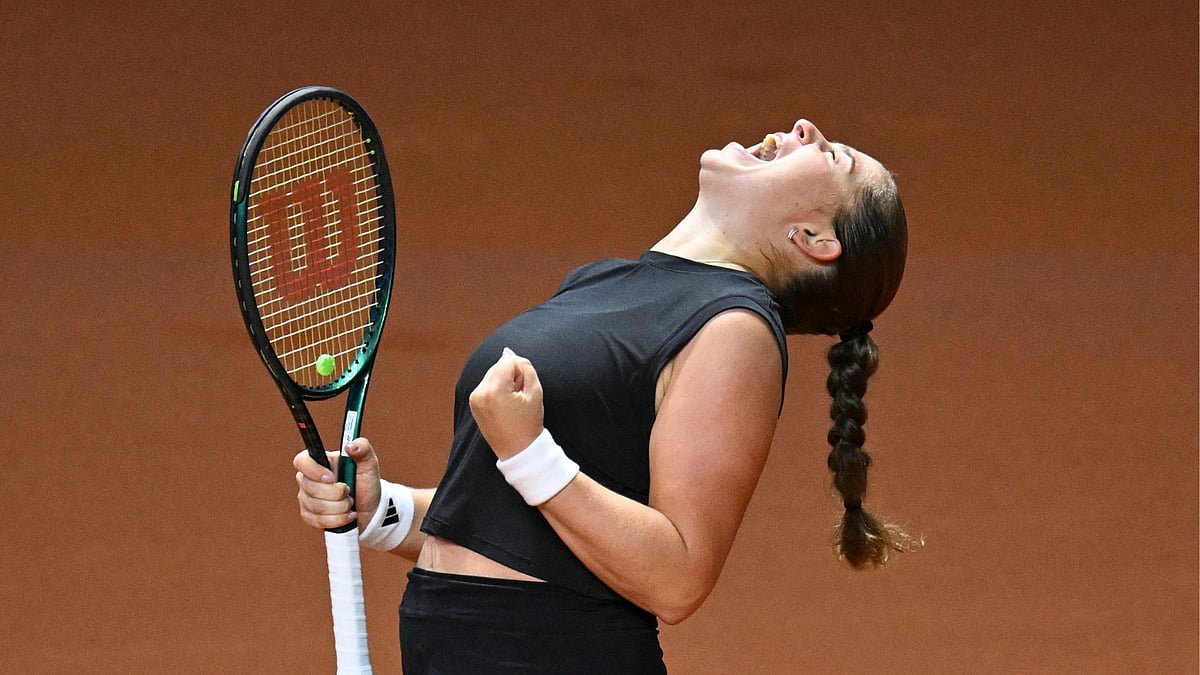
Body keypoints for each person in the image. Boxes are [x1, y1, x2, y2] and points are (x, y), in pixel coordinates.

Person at [294, 118, 915, 673]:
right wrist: (385, 511)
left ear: (812, 237)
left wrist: (528, 452)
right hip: (456, 644)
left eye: (835, 158)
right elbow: (518, 525)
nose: (805, 127)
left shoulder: (736, 330)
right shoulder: (601, 281)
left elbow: (679, 576)